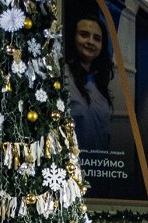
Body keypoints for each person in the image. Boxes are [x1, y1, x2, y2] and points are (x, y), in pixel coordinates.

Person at [64, 12, 114, 151]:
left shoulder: (99, 83)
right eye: (84, 34)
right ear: (73, 38)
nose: (91, 42)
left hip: (100, 168)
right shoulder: (62, 77)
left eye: (97, 38)